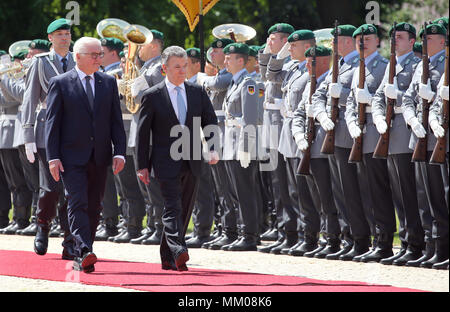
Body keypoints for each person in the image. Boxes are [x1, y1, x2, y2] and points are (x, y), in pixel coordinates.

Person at [45, 37, 126, 273]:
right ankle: (83, 250)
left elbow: (115, 122)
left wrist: (119, 152)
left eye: (100, 54)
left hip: (100, 155)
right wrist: (53, 156)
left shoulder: (108, 82)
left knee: (94, 206)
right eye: (94, 55)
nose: (99, 59)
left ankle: (83, 250)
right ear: (77, 57)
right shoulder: (60, 83)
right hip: (71, 156)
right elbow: (53, 123)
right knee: (77, 201)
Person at [136, 46, 219, 271]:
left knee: (185, 207)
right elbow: (142, 134)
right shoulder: (152, 96)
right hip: (164, 161)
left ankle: (168, 257)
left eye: (184, 66)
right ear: (164, 69)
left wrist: (213, 147)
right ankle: (179, 249)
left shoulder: (197, 92)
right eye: (176, 67)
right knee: (172, 206)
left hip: (192, 159)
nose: (182, 71)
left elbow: (210, 121)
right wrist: (142, 165)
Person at [371, 22, 425, 265]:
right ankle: (405, 241)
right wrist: (379, 117)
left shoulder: (415, 65)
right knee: (398, 195)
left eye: (400, 37)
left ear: (412, 41)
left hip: (406, 132)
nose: (395, 41)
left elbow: (416, 97)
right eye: (393, 37)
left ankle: (416, 242)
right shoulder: (391, 66)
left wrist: (398, 97)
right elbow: (379, 97)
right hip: (391, 135)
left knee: (409, 192)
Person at [21, 18, 75, 259]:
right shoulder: (40, 63)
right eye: (60, 34)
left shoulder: (79, 59)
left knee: (71, 188)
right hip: (46, 130)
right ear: (50, 38)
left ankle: (69, 238)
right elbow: (29, 99)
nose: (65, 37)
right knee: (51, 187)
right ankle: (43, 223)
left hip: (75, 131)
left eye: (67, 33)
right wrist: (28, 135)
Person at [402, 22, 448, 268]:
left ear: (443, 41)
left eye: (430, 39)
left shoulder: (445, 63)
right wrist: (411, 118)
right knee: (425, 196)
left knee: (442, 196)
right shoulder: (422, 64)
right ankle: (432, 247)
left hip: (440, 136)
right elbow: (408, 97)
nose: (425, 43)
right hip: (420, 136)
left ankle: (443, 248)